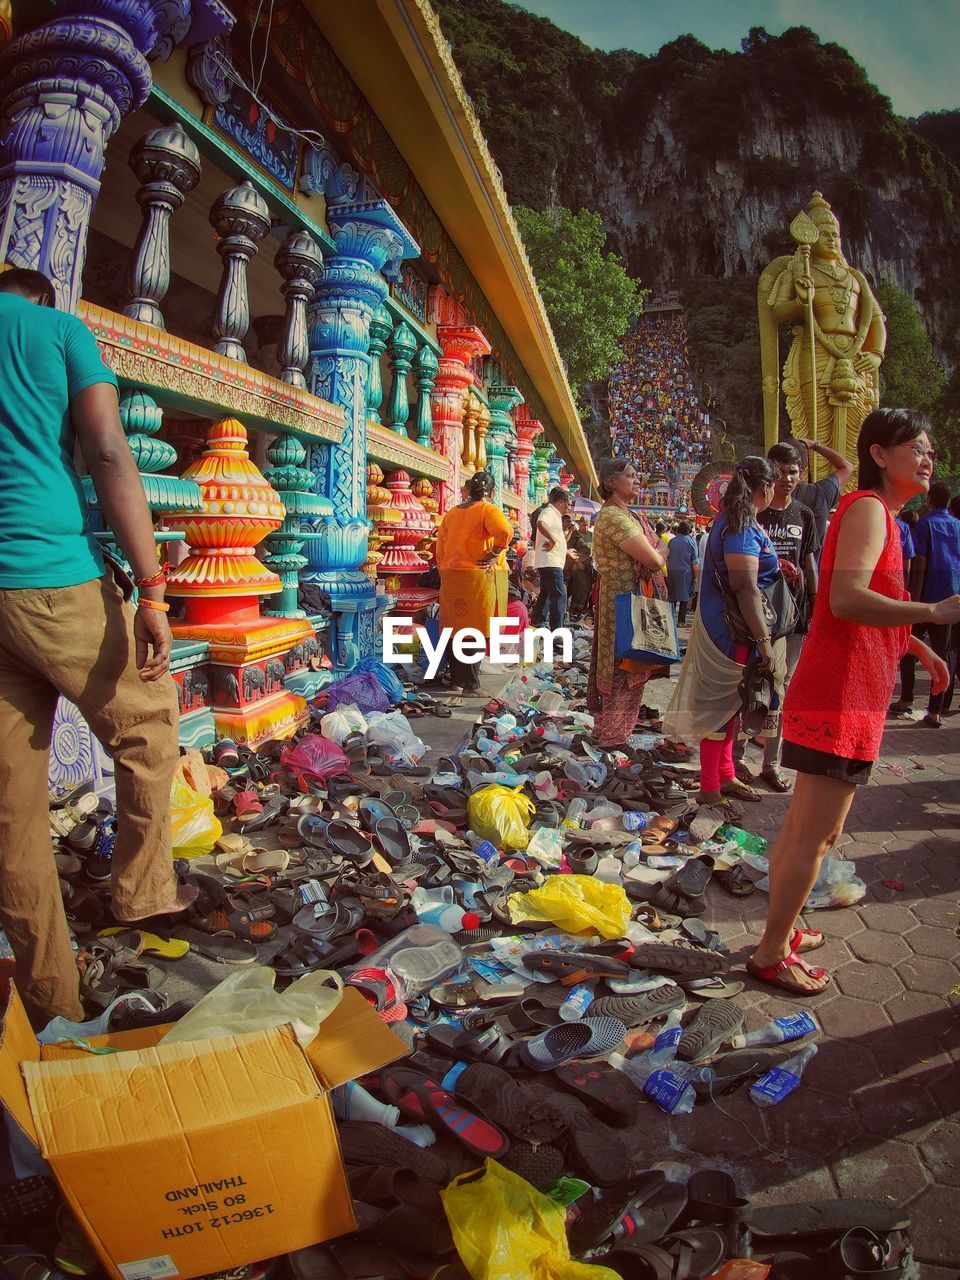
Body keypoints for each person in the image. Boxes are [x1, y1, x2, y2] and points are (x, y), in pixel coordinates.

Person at [0, 267, 192, 1027]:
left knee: (11, 818)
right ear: (43, 297)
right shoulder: (60, 332)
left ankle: (52, 1001)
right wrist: (151, 589)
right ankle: (142, 892)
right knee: (146, 726)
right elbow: (109, 452)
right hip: (53, 581)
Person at [749, 409, 960, 994]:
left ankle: (782, 929)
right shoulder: (868, 509)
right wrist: (933, 612)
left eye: (930, 450)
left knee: (805, 829)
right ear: (878, 455)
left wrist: (919, 645)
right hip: (841, 693)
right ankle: (770, 952)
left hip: (847, 689)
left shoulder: (885, 517)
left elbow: (868, 600)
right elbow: (845, 598)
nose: (927, 458)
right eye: (916, 447)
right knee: (816, 834)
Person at [665, 456, 784, 816]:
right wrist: (764, 643)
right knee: (721, 707)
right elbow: (745, 586)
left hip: (729, 625)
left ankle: (726, 775)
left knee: (732, 705)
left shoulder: (732, 521)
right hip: (734, 630)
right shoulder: (742, 527)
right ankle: (710, 788)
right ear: (765, 487)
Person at [734, 441, 820, 792]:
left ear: (801, 475)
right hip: (753, 616)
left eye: (793, 471)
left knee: (781, 690)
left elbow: (809, 561)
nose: (787, 478)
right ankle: (736, 757)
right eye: (780, 471)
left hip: (791, 617)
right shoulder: (755, 513)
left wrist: (814, 603)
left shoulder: (804, 515)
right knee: (747, 686)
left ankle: (770, 763)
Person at [587, 458, 666, 749]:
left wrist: (658, 550)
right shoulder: (613, 517)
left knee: (628, 665)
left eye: (637, 475)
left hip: (631, 601)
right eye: (630, 476)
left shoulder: (629, 515)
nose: (637, 480)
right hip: (622, 605)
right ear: (610, 482)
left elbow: (661, 546)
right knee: (623, 667)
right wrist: (657, 552)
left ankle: (610, 732)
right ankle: (613, 737)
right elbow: (656, 558)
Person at [435, 469, 512, 701]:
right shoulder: (487, 510)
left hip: (450, 576)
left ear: (467, 490)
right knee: (473, 631)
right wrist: (494, 553)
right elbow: (505, 532)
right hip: (475, 578)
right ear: (490, 491)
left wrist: (446, 570)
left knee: (453, 629)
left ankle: (457, 682)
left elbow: (439, 549)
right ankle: (471, 684)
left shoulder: (451, 514)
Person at [904, 481, 960, 726]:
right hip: (950, 597)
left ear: (929, 499)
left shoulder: (925, 524)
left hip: (925, 597)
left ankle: (906, 698)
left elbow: (919, 564)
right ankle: (936, 709)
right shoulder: (958, 526)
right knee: (943, 652)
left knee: (909, 648)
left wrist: (913, 603)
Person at [790, 435, 854, 546]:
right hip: (814, 562)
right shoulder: (819, 494)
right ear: (802, 473)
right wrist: (814, 445)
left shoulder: (763, 495)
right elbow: (847, 467)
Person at [532, 487, 573, 630]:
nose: (569, 507)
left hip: (550, 561)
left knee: (547, 593)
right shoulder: (549, 512)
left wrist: (565, 550)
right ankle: (557, 629)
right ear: (561, 502)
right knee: (559, 594)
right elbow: (541, 523)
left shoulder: (554, 514)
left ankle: (538, 622)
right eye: (568, 504)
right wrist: (554, 541)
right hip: (550, 562)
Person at [665, 520, 698, 625]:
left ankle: (670, 620)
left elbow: (666, 557)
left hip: (671, 571)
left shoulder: (672, 541)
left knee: (672, 597)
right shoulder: (691, 541)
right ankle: (681, 621)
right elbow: (695, 562)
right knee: (684, 597)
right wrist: (696, 577)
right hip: (685, 573)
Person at [567, 515, 595, 621]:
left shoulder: (591, 535)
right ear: (580, 524)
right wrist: (578, 562)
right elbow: (569, 549)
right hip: (578, 564)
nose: (586, 528)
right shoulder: (575, 535)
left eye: (588, 526)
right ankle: (575, 608)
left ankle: (582, 608)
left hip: (589, 564)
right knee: (580, 585)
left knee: (588, 587)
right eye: (584, 525)